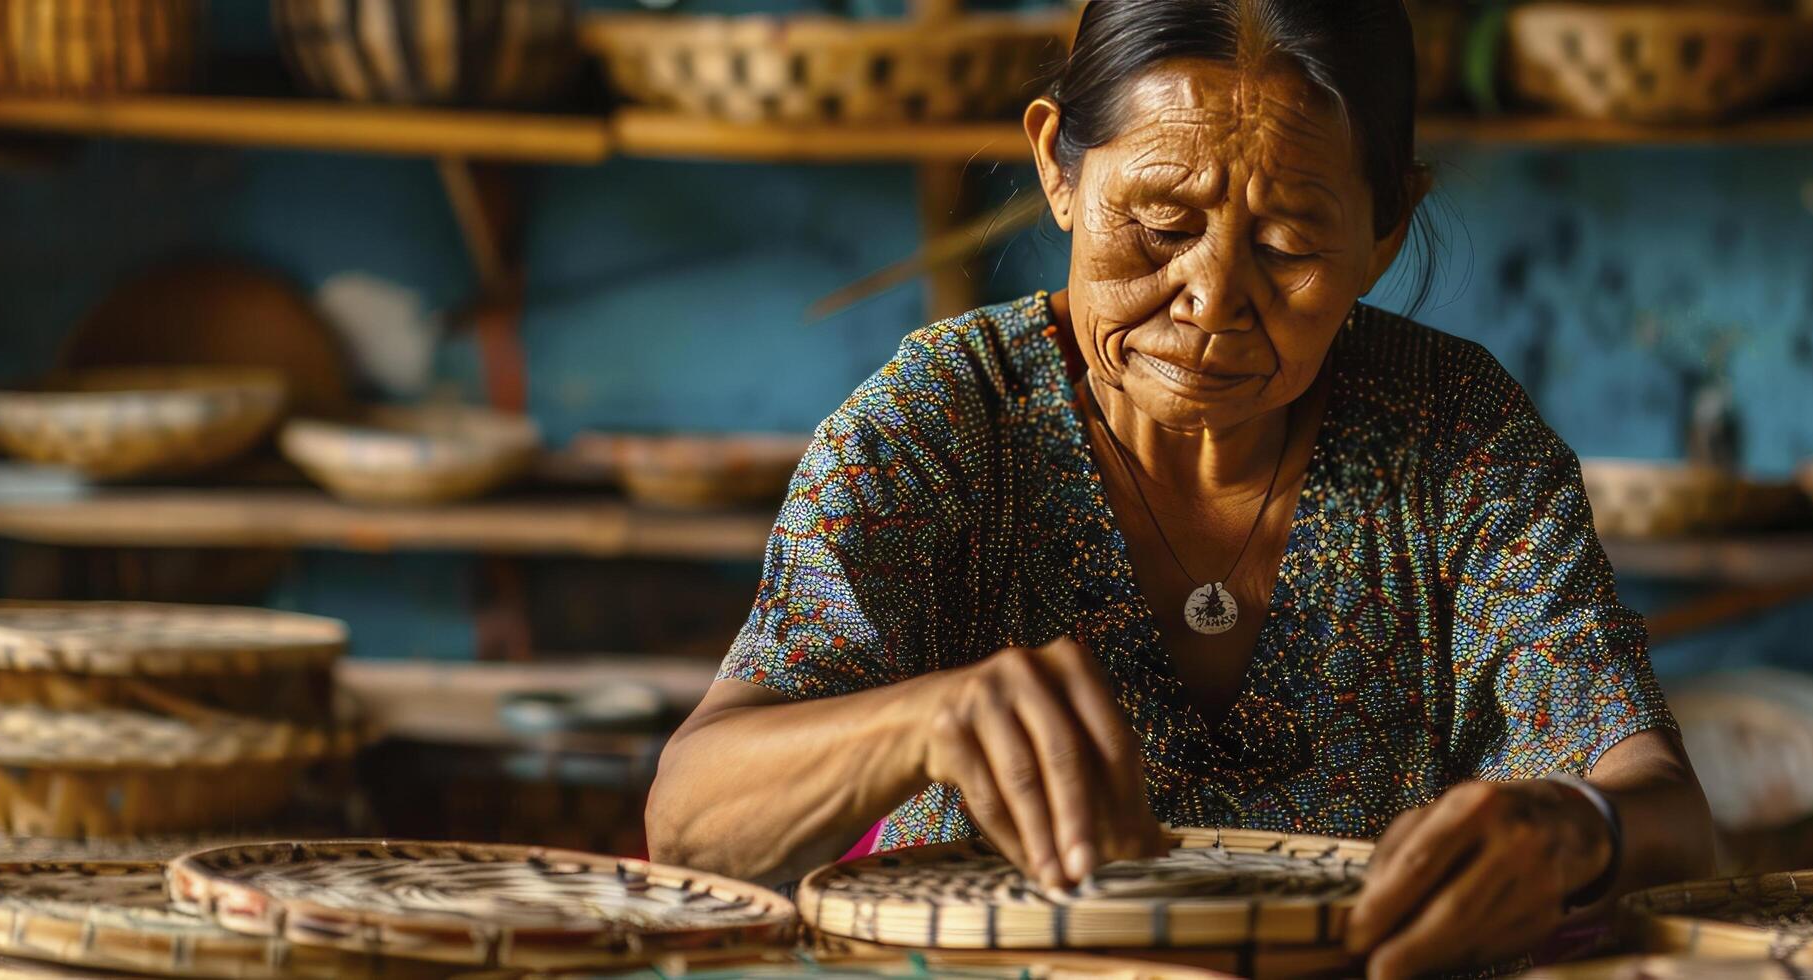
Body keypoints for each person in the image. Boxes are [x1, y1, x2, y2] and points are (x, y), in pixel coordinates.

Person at [648, 1, 1714, 974]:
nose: (1210, 299)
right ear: (1058, 169)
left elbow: (1663, 809)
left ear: (1384, 231)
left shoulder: (1455, 436)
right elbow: (691, 820)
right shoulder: (941, 429)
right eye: (1157, 226)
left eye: (1288, 243)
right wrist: (918, 721)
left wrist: (1576, 826)